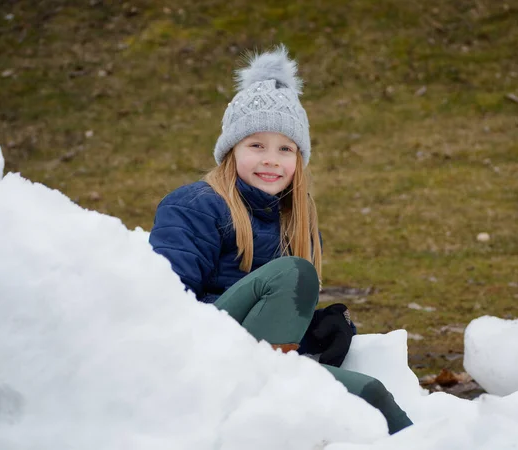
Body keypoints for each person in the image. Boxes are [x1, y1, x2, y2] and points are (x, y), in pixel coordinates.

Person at [149, 45, 412, 434]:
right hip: (201, 364)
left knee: (372, 394)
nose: (271, 159)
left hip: (262, 363)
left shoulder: (295, 219)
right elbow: (169, 303)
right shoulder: (194, 206)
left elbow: (274, 317)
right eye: (256, 145)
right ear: (231, 150)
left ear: (298, 159)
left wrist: (314, 333)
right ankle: (273, 392)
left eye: (285, 149)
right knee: (294, 274)